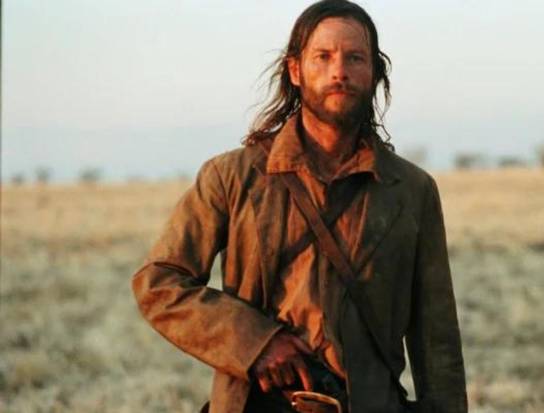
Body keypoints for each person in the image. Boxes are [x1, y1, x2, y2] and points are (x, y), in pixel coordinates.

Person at [131, 1, 467, 412]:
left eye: (354, 58)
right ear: (295, 70)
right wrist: (254, 343)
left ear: (375, 73)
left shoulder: (411, 191)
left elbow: (437, 336)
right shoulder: (233, 176)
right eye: (322, 57)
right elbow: (160, 282)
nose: (338, 71)